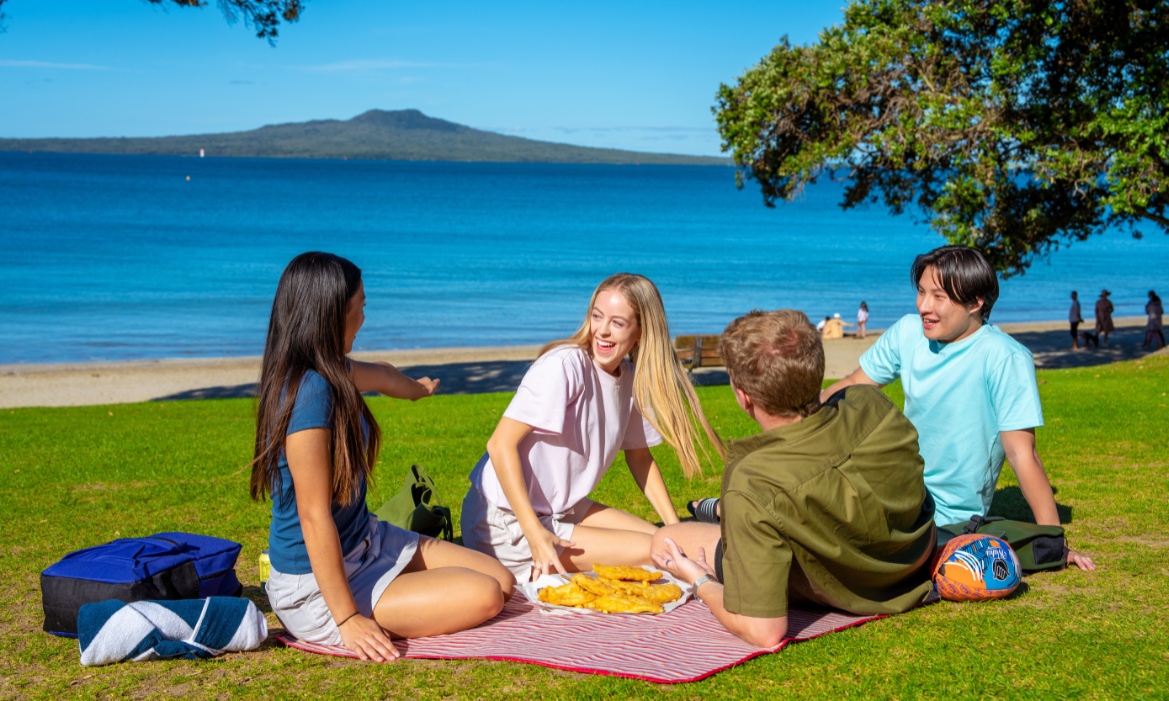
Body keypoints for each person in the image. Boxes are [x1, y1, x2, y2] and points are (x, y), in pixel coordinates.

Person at [687, 246, 1094, 570]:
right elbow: (850, 387)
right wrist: (792, 412)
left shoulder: (1004, 357)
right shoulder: (908, 334)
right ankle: (733, 506)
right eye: (920, 291)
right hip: (889, 480)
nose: (924, 306)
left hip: (940, 514)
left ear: (975, 302)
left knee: (815, 537)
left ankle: (729, 511)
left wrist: (1052, 544)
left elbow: (1022, 454)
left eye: (939, 296)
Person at [250, 252, 514, 662]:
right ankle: (359, 608)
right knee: (487, 596)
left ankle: (398, 591)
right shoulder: (308, 393)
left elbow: (386, 375)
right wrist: (347, 618)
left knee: (502, 579)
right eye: (360, 308)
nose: (364, 319)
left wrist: (418, 389)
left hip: (367, 540)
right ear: (332, 314)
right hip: (316, 586)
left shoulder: (333, 370)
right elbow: (313, 515)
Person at [651, 310, 936, 648]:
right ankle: (722, 512)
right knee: (763, 507)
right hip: (913, 556)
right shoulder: (869, 402)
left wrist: (700, 581)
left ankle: (725, 516)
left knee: (664, 540)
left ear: (743, 397)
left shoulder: (753, 481)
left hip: (857, 585)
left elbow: (764, 632)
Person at [461, 273, 725, 583]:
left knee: (668, 542)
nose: (601, 330)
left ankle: (739, 562)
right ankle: (739, 581)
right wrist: (534, 534)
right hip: (506, 522)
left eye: (617, 323)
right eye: (597, 316)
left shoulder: (629, 379)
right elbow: (499, 445)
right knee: (657, 552)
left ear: (641, 331)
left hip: (561, 508)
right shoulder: (564, 367)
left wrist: (674, 528)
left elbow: (639, 459)